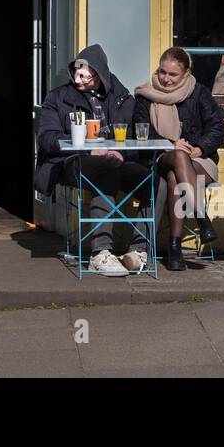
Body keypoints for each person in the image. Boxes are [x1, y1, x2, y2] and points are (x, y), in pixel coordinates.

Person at [35, 44, 144, 277]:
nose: (77, 79)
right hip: (72, 163)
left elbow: (137, 139)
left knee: (155, 182)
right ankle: (100, 253)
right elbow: (46, 138)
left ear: (100, 74)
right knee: (106, 170)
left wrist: (121, 153)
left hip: (116, 161)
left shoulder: (123, 98)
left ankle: (139, 251)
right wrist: (87, 149)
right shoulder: (58, 98)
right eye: (75, 72)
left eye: (84, 75)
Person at [134, 48, 224, 271]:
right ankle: (201, 218)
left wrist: (200, 147)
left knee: (176, 177)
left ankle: (174, 247)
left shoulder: (199, 93)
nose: (166, 79)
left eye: (173, 74)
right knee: (176, 156)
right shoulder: (145, 96)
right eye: (162, 72)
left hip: (198, 160)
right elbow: (139, 131)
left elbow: (217, 127)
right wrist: (170, 143)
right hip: (160, 156)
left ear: (186, 74)